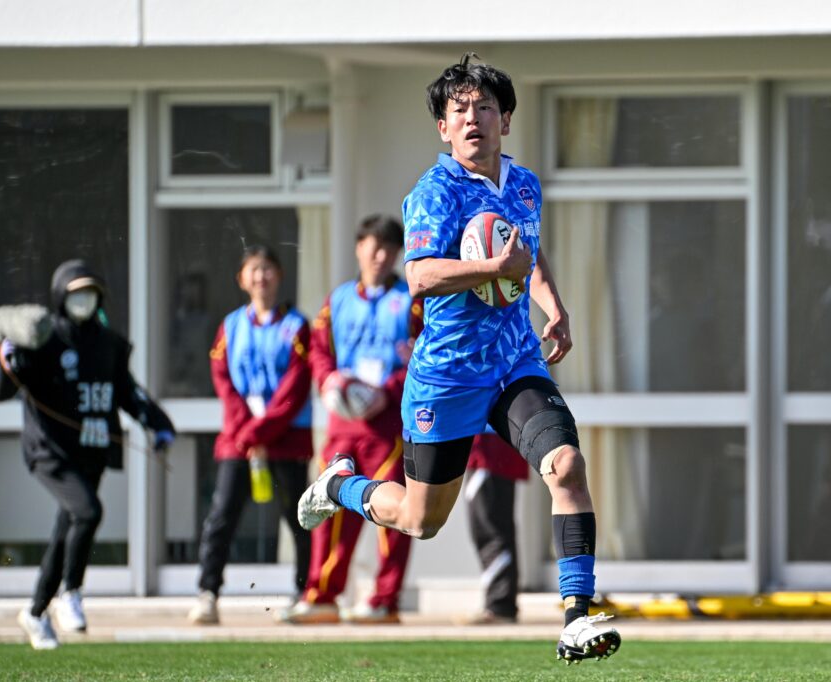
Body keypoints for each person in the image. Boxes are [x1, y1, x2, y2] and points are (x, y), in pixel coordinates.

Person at [298, 54, 621, 663]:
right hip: (446, 375)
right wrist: (494, 268)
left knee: (566, 465)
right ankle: (341, 485)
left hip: (515, 364)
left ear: (506, 120)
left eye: (485, 107)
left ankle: (577, 618)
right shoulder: (433, 192)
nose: (473, 118)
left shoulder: (524, 184)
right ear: (443, 128)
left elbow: (528, 254)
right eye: (459, 110)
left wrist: (554, 307)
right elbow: (419, 277)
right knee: (420, 520)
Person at [0, 259, 176, 650]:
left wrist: (157, 423)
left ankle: (36, 612)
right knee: (88, 512)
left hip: (92, 449)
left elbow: (127, 392)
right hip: (50, 451)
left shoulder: (107, 343)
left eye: (90, 293)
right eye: (75, 293)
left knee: (67, 528)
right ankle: (71, 591)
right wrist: (7, 359)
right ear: (60, 296)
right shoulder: (42, 338)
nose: (83, 300)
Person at [277, 215, 422, 625]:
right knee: (332, 505)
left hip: (389, 424)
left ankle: (384, 601)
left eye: (389, 249)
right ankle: (322, 595)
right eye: (373, 246)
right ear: (359, 248)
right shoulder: (337, 300)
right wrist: (328, 381)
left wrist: (387, 391)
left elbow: (423, 357)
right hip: (343, 424)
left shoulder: (412, 300)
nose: (380, 256)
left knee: (391, 509)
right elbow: (319, 350)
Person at [188, 245, 313, 625]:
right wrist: (246, 430)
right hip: (238, 440)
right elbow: (222, 378)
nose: (261, 277)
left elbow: (295, 387)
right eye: (253, 270)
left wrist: (260, 430)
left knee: (300, 517)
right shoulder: (229, 327)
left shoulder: (297, 326)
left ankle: (305, 593)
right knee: (222, 515)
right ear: (241, 279)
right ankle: (208, 593)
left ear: (280, 275)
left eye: (268, 269)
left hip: (285, 438)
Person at [458, 432, 529, 625]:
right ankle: (500, 603)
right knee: (492, 526)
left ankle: (500, 605)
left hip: (489, 449)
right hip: (490, 447)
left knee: (490, 528)